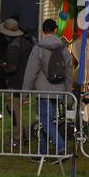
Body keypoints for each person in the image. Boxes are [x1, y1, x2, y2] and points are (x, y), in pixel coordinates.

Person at [22, 18, 70, 159]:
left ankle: (61, 147)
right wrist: (68, 94)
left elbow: (31, 73)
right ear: (56, 30)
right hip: (59, 90)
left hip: (43, 91)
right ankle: (41, 152)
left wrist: (25, 94)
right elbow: (68, 74)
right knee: (47, 121)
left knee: (45, 121)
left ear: (43, 31)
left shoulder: (38, 49)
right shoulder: (64, 49)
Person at [0, 18, 34, 149]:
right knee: (15, 111)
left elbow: (13, 67)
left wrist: (1, 68)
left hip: (15, 83)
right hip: (23, 81)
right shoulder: (24, 42)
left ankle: (18, 139)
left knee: (14, 111)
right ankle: (24, 136)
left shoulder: (13, 47)